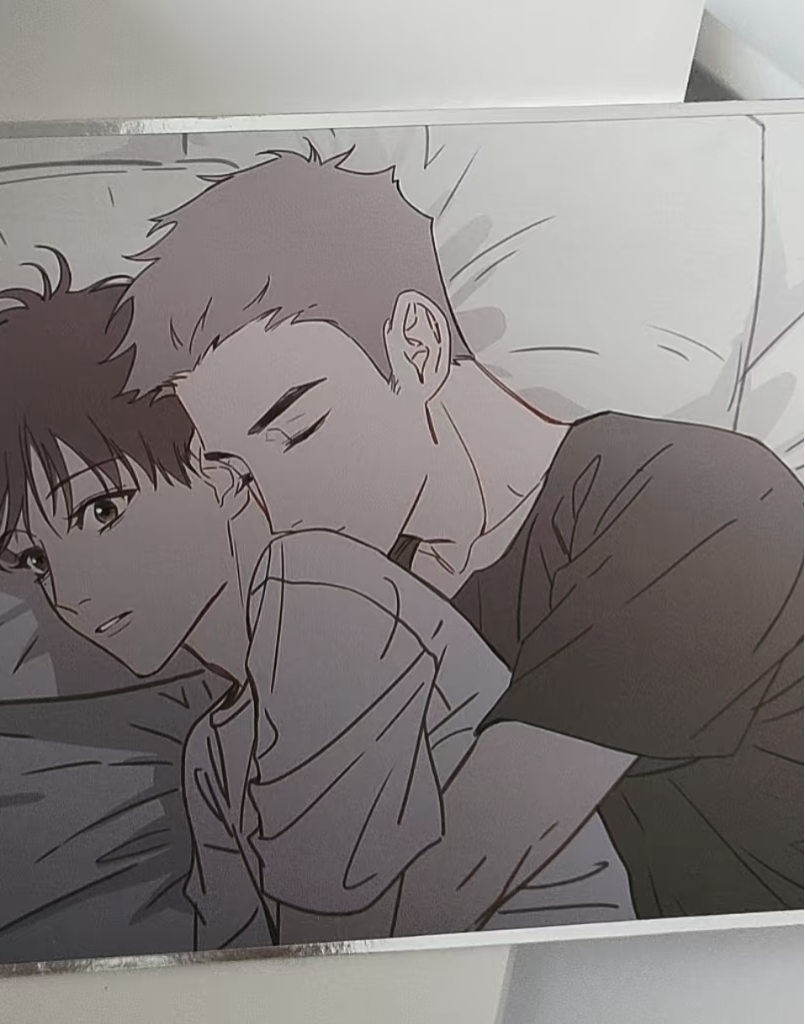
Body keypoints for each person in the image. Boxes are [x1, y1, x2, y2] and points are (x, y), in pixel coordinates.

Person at [116, 147, 804, 926]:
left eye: (298, 427)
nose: (276, 509)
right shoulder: (378, 602)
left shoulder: (692, 501)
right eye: (239, 472)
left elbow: (449, 884)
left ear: (416, 346)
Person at [0, 250, 635, 951]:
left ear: (214, 469)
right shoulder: (215, 757)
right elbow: (245, 969)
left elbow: (333, 954)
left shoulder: (319, 597)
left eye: (103, 510)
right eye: (36, 560)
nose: (71, 591)